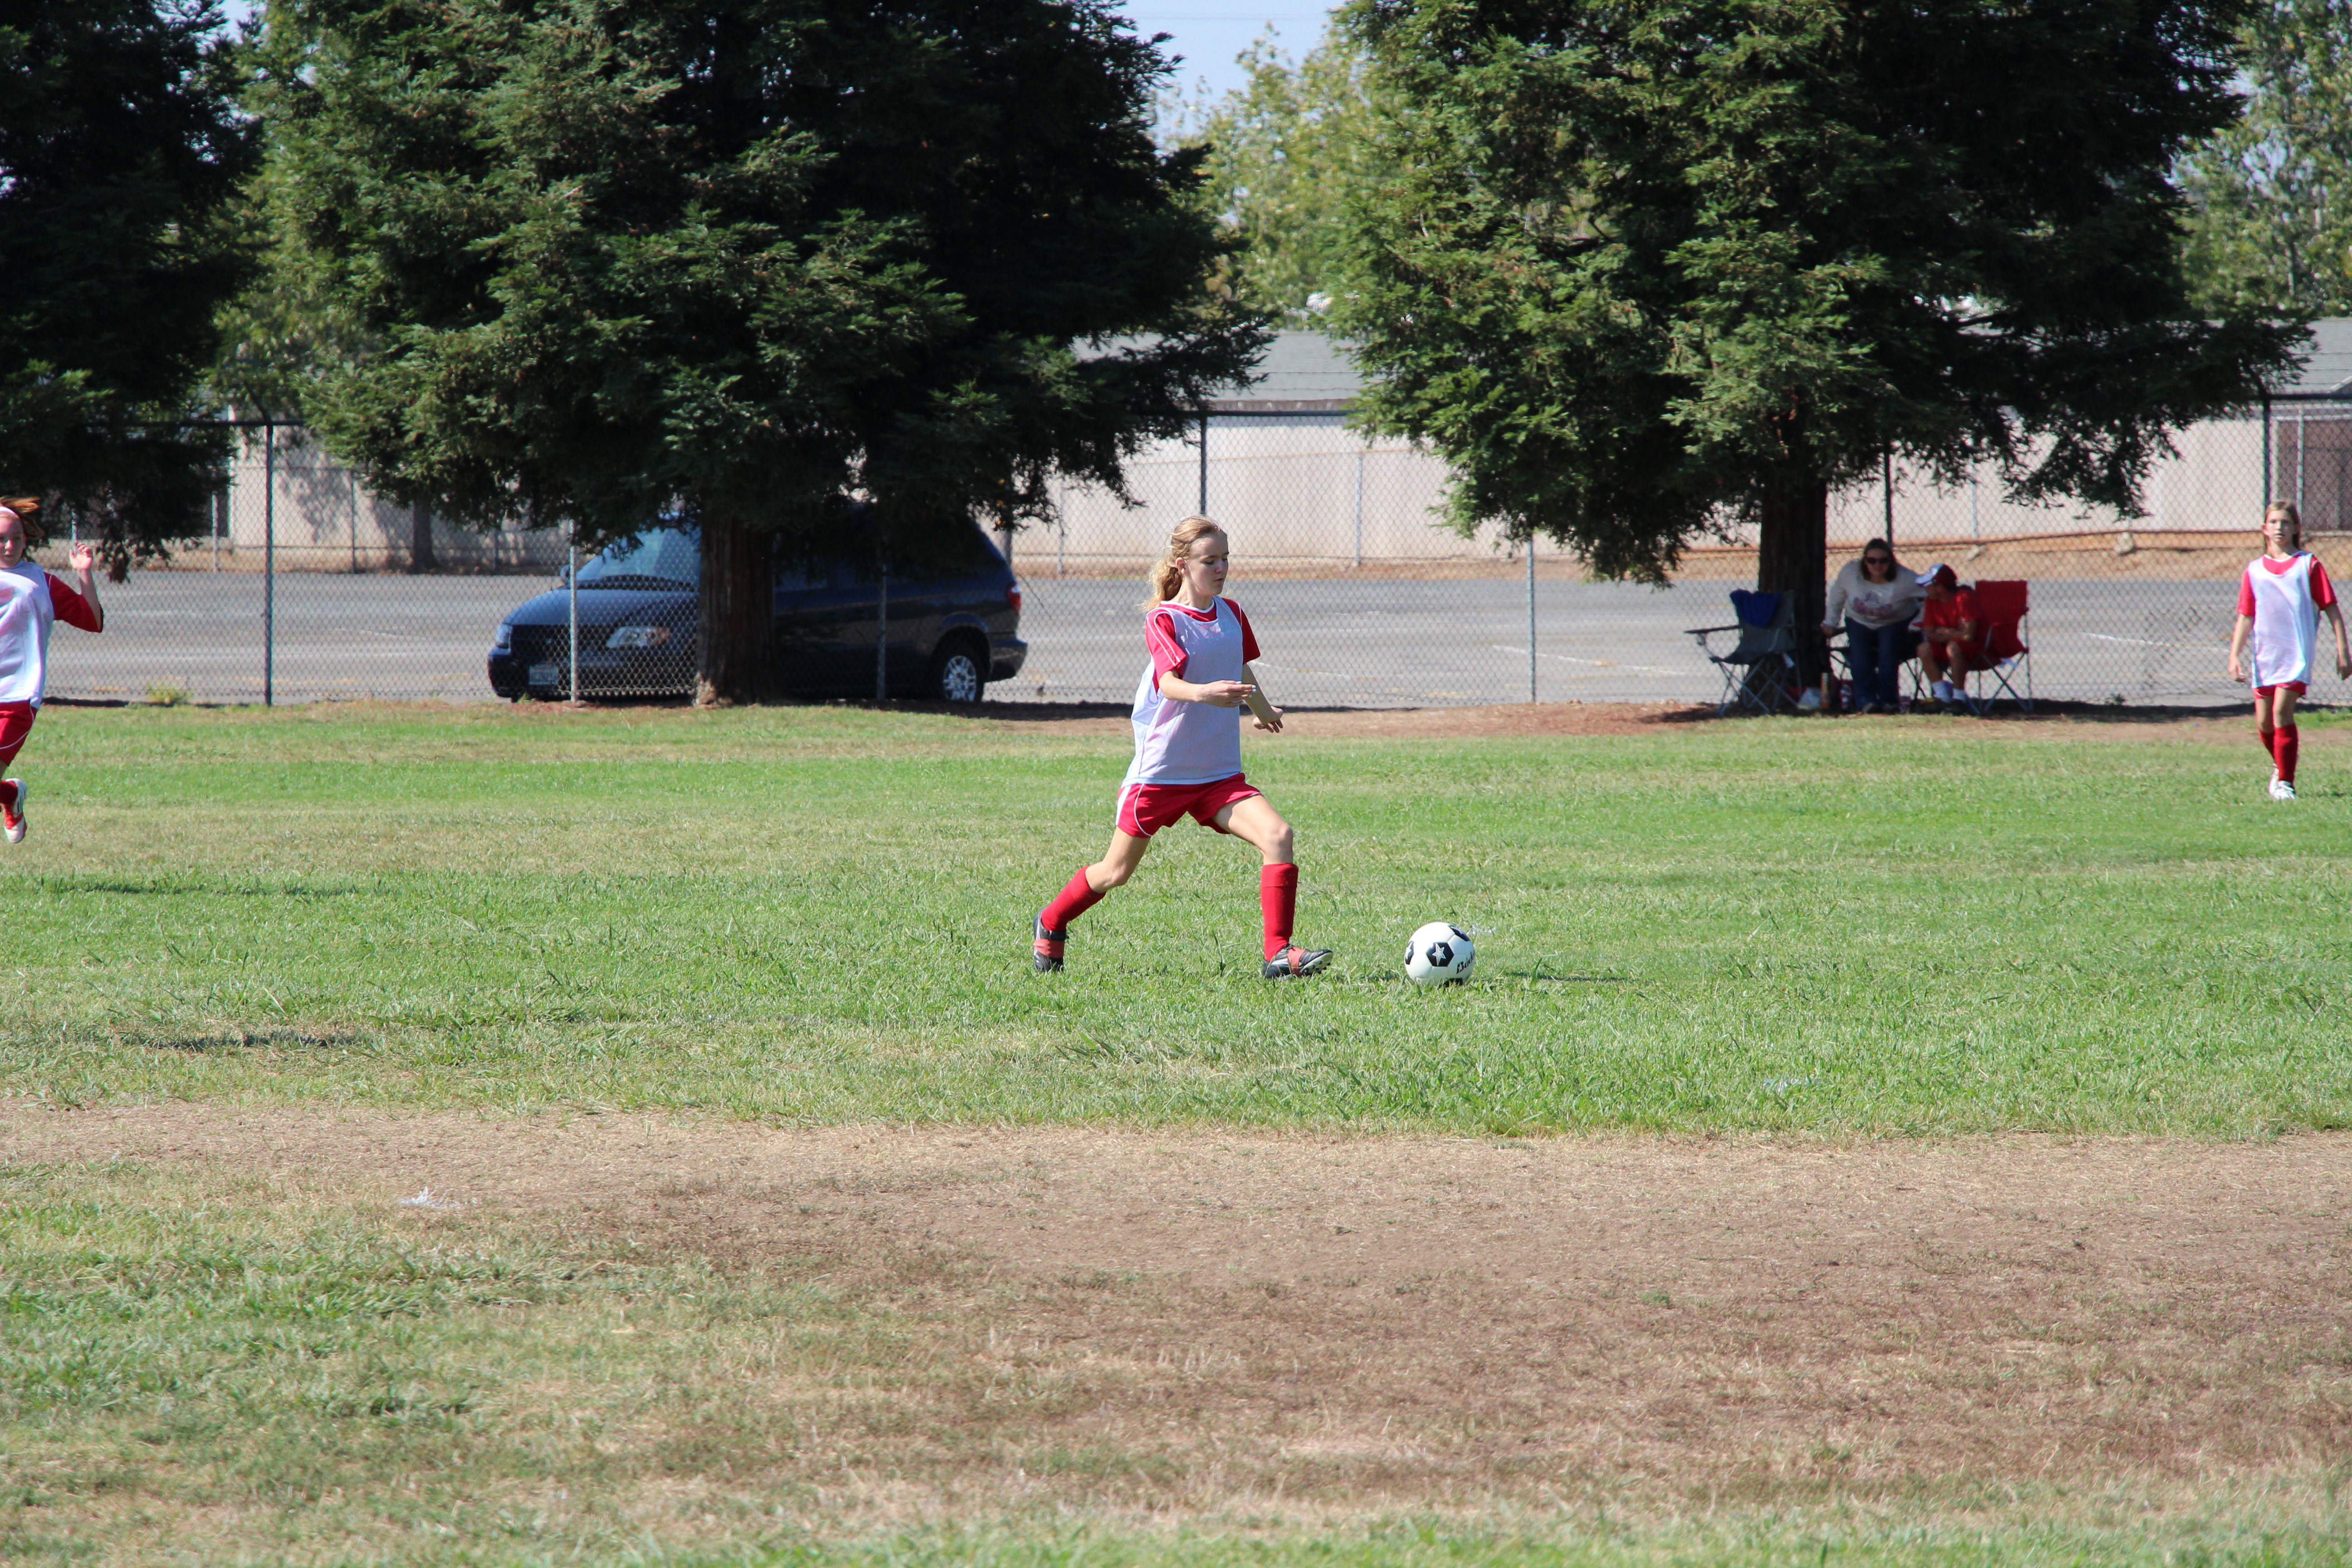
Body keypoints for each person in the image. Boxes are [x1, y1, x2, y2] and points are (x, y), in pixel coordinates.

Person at [1031, 515, 1332, 980]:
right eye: (1210, 560)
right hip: (1163, 774)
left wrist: (1261, 709)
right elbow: (1169, 683)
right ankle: (1052, 921)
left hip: (1218, 775)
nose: (1221, 568)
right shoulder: (1164, 619)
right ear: (1183, 565)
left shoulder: (1232, 614)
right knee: (1114, 873)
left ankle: (1278, 953)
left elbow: (1239, 667)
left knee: (1278, 836)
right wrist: (1205, 693)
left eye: (1225, 558)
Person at [2226, 501, 2348, 801]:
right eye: (2274, 522)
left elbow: (2331, 609)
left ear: (2296, 528)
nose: (2279, 528)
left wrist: (2343, 650)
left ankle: (2286, 783)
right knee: (2264, 722)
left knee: (2282, 712)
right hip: (2266, 656)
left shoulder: (2308, 565)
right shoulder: (2255, 570)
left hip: (2296, 655)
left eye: (2285, 522)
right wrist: (2234, 655)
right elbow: (2246, 615)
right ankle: (2281, 764)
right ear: (2264, 529)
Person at [0, 498, 105, 845]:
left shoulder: (39, 583)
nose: (10, 546)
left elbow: (92, 621)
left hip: (16, 697)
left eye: (16, 538)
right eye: (2, 539)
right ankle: (10, 794)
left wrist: (84, 574)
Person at [1821, 538, 1922, 713]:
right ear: (1864, 561)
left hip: (1894, 622)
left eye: (1883, 561)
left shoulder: (1906, 579)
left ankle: (1889, 702)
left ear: (1891, 561)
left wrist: (1918, 622)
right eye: (1871, 561)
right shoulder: (1851, 573)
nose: (1877, 566)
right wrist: (1830, 622)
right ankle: (1866, 702)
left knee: (1888, 655)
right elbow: (1837, 595)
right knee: (1859, 657)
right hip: (1859, 621)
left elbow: (1932, 596)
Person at [1914, 564, 1984, 711]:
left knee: (1953, 647)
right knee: (1924, 649)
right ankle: (1943, 698)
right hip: (1948, 646)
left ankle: (1959, 699)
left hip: (1975, 649)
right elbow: (1930, 634)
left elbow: (1968, 636)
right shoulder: (1931, 601)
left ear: (1939, 587)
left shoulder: (1964, 598)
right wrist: (1955, 632)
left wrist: (1943, 632)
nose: (1925, 589)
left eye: (1928, 585)